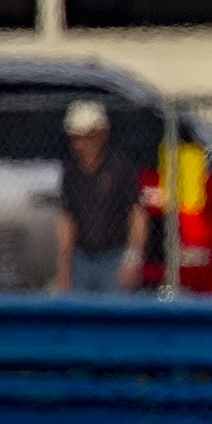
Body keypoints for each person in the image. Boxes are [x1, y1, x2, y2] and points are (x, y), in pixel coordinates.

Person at [53, 101, 147, 292]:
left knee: (114, 314)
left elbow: (136, 214)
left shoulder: (119, 167)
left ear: (100, 135)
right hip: (82, 257)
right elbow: (68, 219)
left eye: (84, 137)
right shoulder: (70, 171)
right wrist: (63, 266)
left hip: (114, 256)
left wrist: (132, 258)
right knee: (79, 313)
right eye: (74, 137)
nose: (78, 144)